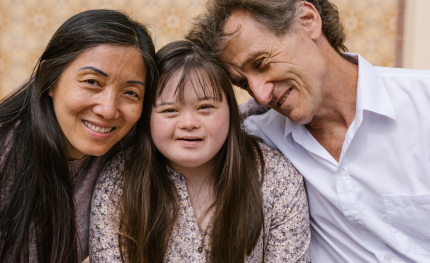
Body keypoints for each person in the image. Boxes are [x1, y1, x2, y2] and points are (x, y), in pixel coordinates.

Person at [186, 0, 430, 262]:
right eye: (244, 84)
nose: (260, 94)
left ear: (307, 21)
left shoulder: (423, 103)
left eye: (261, 63)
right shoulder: (259, 136)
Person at [0, 9, 157, 263]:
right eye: (92, 82)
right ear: (50, 79)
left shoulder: (125, 146)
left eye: (131, 93)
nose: (108, 109)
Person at [89, 40, 311, 262]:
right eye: (169, 110)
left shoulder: (275, 176)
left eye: (205, 107)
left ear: (231, 111)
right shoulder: (119, 180)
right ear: (147, 117)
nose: (188, 123)